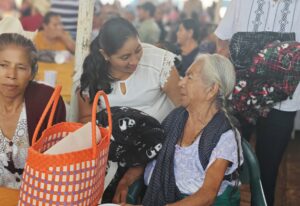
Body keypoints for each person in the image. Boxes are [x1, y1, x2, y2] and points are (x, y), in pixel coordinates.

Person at [78, 17, 181, 203]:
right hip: (113, 150)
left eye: (138, 50)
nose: (134, 61)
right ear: (105, 55)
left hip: (162, 143)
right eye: (125, 57)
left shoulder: (159, 63)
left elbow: (183, 111)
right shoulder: (93, 72)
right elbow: (86, 118)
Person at [214, 0, 300, 205]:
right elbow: (222, 43)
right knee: (224, 168)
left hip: (282, 104)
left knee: (266, 176)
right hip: (238, 100)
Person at [142, 54, 243, 206]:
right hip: (167, 197)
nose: (180, 83)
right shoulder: (176, 118)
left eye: (189, 77)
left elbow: (207, 196)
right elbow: (152, 152)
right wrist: (126, 181)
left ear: (211, 89)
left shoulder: (224, 135)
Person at [0, 17, 66, 189]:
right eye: (3, 65)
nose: (11, 75)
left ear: (32, 72)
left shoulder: (47, 103)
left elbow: (58, 164)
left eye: (21, 67)